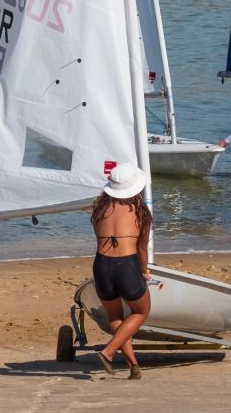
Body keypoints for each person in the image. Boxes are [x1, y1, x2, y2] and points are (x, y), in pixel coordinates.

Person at [90, 162, 152, 380]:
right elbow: (141, 247)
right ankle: (107, 352)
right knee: (140, 312)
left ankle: (133, 365)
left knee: (115, 315)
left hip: (101, 266)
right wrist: (144, 271)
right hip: (126, 266)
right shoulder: (141, 212)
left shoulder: (98, 209)